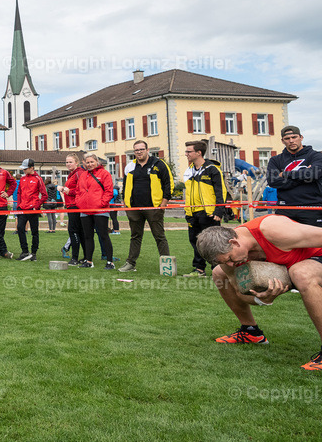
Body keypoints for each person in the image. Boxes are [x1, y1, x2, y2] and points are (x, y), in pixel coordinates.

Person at [195, 215, 322, 370]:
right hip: (287, 267)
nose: (229, 264)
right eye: (223, 261)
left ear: (234, 242)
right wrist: (264, 299)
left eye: (229, 258)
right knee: (218, 273)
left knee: (301, 273)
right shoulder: (228, 260)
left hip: (315, 258)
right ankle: (251, 332)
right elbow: (241, 292)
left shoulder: (273, 229)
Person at [120, 140, 173, 272]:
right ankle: (130, 263)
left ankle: (166, 264)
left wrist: (164, 202)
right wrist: (125, 201)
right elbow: (125, 185)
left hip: (154, 207)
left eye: (141, 149)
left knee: (159, 236)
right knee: (135, 236)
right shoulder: (130, 166)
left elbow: (168, 183)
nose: (139, 152)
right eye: (136, 150)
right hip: (134, 208)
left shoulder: (159, 164)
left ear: (147, 150)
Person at [182, 140, 230, 277]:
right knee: (196, 241)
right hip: (192, 212)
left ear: (198, 153)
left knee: (213, 243)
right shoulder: (189, 170)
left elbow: (221, 191)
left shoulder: (212, 169)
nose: (186, 154)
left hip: (208, 213)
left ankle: (218, 269)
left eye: (188, 151)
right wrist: (188, 211)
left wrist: (219, 211)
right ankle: (199, 269)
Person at [266, 125, 322, 228]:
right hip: (285, 209)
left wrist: (285, 174)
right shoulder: (276, 160)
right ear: (282, 141)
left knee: (313, 243)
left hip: (312, 208)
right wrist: (304, 176)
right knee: (284, 242)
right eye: (287, 138)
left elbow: (314, 174)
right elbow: (273, 181)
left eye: (294, 137)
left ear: (301, 138)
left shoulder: (316, 156)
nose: (291, 141)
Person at [75, 152, 114, 269]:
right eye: (88, 162)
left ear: (97, 162)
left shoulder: (104, 174)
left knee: (103, 235)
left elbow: (109, 191)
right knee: (87, 236)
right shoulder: (83, 175)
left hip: (100, 210)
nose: (90, 164)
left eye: (92, 162)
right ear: (85, 164)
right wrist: (79, 203)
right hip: (85, 210)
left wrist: (101, 204)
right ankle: (89, 260)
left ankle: (110, 261)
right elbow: (78, 191)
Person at [15, 159, 48, 262]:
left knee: (35, 232)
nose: (23, 170)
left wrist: (36, 206)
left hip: (33, 210)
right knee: (20, 228)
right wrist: (19, 205)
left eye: (25, 168)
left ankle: (33, 253)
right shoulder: (23, 179)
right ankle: (24, 252)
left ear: (32, 168)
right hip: (22, 209)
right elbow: (19, 193)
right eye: (23, 168)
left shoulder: (38, 179)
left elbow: (44, 195)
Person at [59, 152, 83, 265]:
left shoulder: (79, 173)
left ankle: (75, 258)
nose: (68, 164)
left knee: (73, 231)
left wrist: (68, 191)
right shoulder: (72, 174)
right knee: (78, 231)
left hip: (76, 206)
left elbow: (82, 190)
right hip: (71, 205)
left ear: (76, 163)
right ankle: (82, 257)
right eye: (67, 162)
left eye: (70, 162)